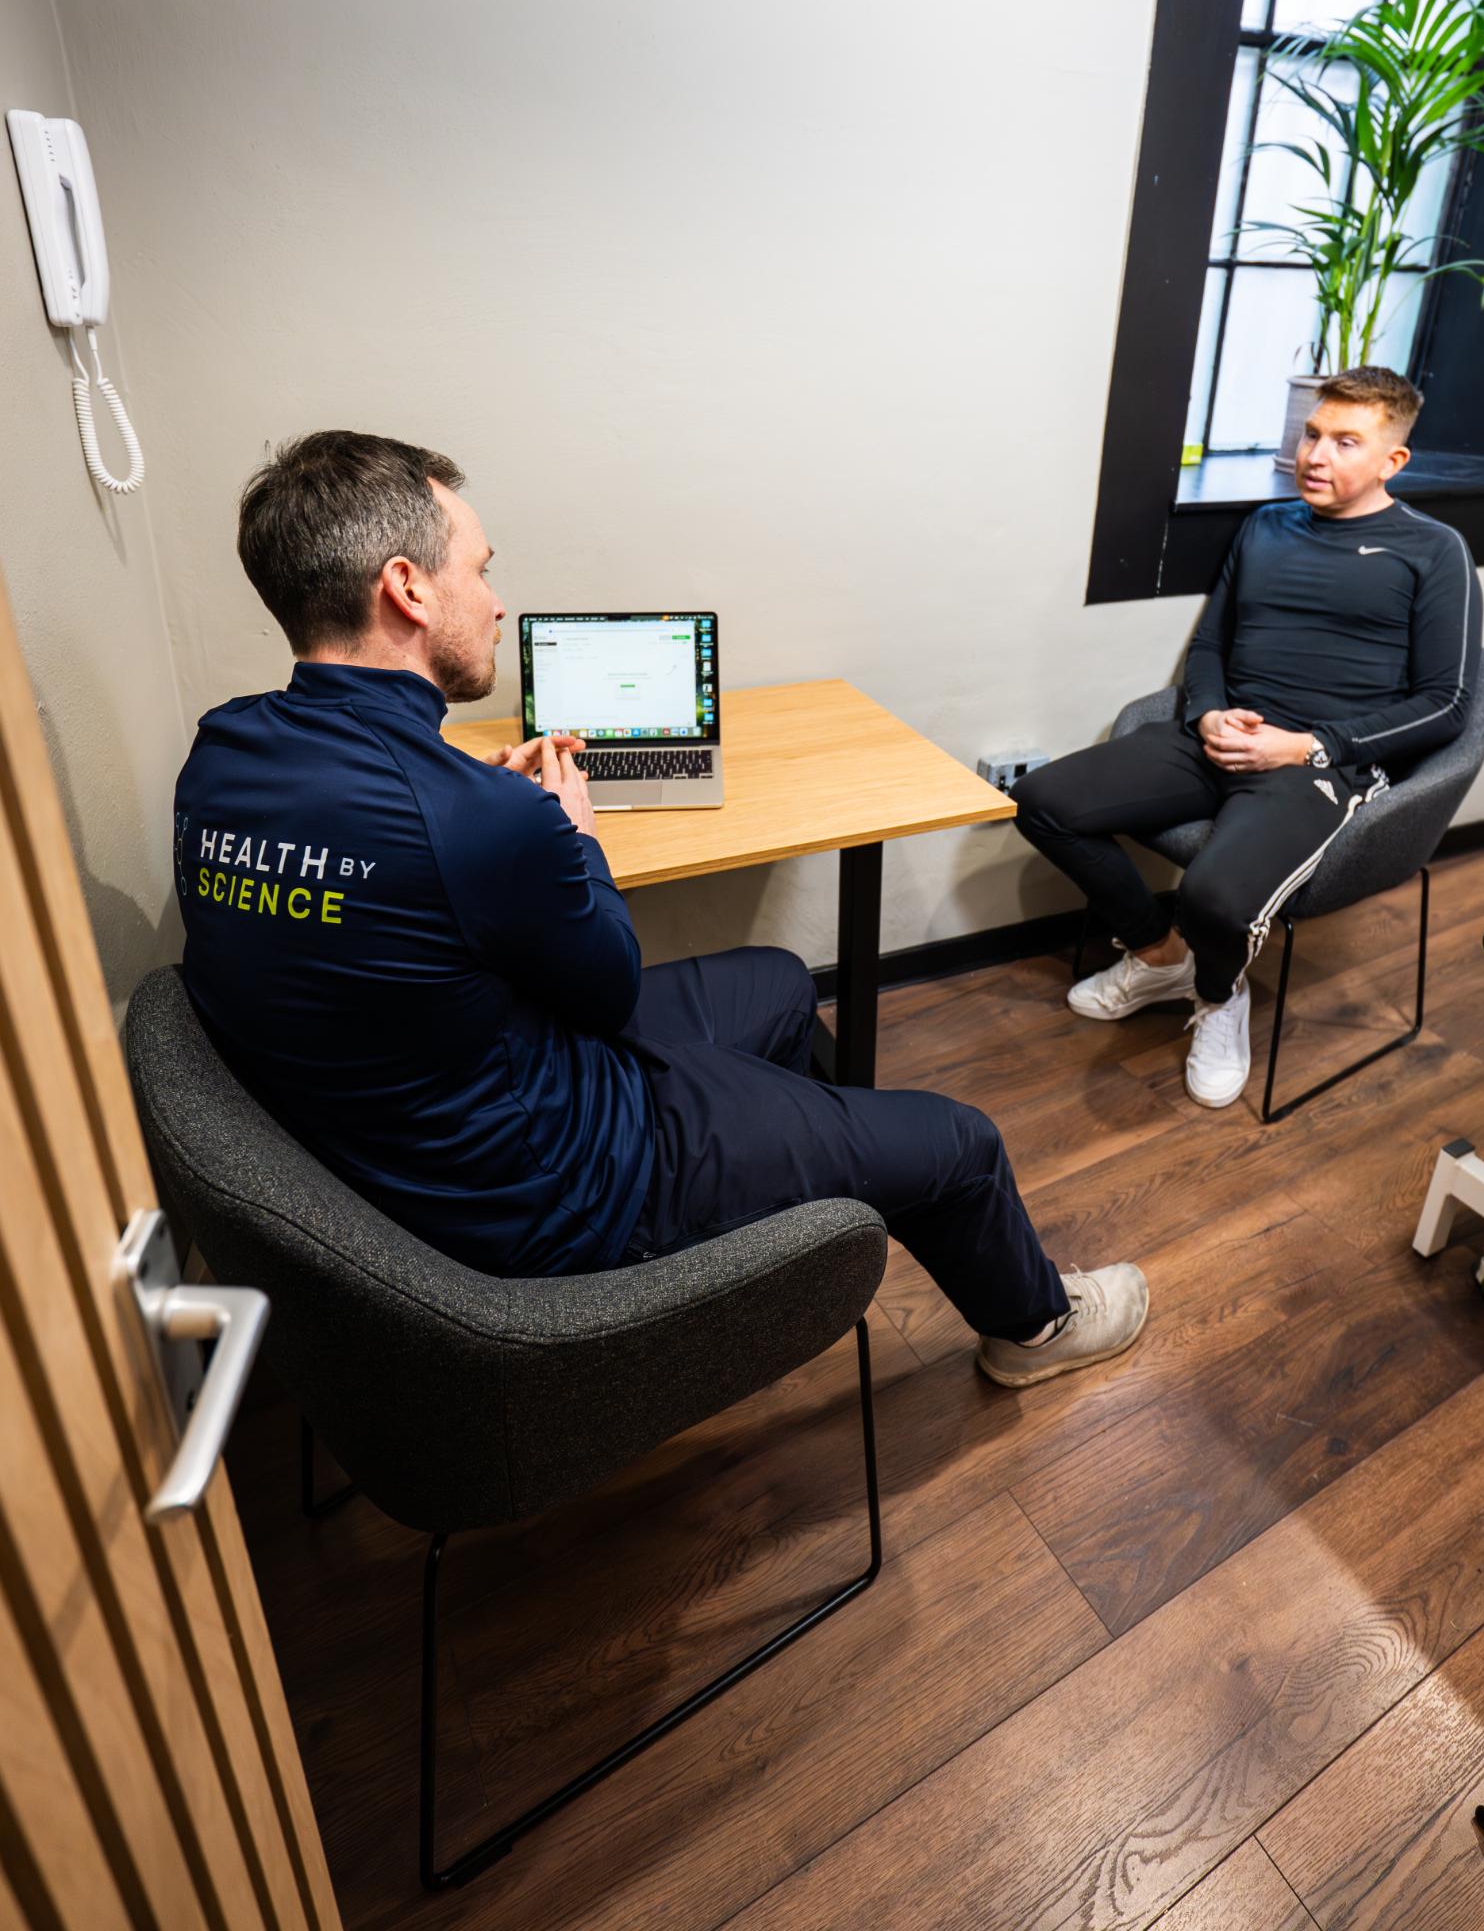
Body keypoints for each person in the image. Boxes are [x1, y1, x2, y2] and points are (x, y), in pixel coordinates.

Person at [173, 430, 1147, 1388]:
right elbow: (605, 987)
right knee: (958, 1140)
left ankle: (796, 1155)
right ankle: (1036, 1327)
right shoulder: (477, 820)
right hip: (569, 1188)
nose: (496, 600)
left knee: (772, 978)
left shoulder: (224, 755)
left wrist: (488, 815)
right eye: (479, 568)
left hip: (428, 1133)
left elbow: (385, 877)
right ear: (409, 588)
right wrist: (572, 831)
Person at [1014, 367, 1482, 1108]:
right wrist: (1206, 713)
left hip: (1315, 766)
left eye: (1346, 442)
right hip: (1219, 737)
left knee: (1214, 896)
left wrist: (1307, 746)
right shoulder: (1266, 527)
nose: (1315, 455)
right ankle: (1160, 955)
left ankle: (1220, 996)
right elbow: (1209, 647)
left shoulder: (1433, 550)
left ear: (1393, 460)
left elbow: (1449, 704)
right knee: (1042, 800)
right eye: (1313, 433)